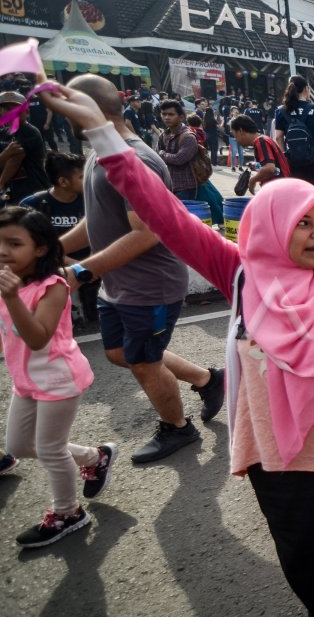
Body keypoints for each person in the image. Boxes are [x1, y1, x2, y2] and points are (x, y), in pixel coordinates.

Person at [43, 77, 314, 617]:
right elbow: (166, 217)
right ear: (270, 226)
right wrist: (101, 134)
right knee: (302, 554)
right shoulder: (241, 275)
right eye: (301, 223)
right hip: (276, 455)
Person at [54, 76, 224, 464]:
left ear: (91, 110)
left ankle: (178, 428)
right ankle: (207, 379)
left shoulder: (137, 160)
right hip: (118, 284)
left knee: (144, 361)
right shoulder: (100, 152)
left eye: (68, 108)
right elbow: (98, 215)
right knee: (120, 353)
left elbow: (146, 232)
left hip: (150, 286)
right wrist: (54, 248)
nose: (64, 118)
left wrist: (81, 270)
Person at [0, 206, 115, 548]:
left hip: (58, 379)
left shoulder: (53, 287)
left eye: (14, 243)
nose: (3, 251)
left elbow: (37, 338)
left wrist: (11, 297)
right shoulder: (9, 281)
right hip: (26, 378)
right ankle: (94, 457)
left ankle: (68, 513)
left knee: (50, 450)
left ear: (40, 248)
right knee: (19, 446)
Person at [20, 152, 99, 320]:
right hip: (53, 266)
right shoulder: (33, 205)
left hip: (92, 267)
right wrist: (73, 264)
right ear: (63, 181)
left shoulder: (92, 199)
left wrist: (93, 262)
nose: (89, 179)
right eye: (82, 176)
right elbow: (27, 247)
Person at [275, 75, 314, 194]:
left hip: (293, 160)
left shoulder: (281, 111)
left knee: (297, 194)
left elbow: (278, 137)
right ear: (306, 89)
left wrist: (284, 158)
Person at [0, 91, 50, 206]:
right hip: (12, 189)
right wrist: (7, 153)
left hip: (31, 189)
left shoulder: (28, 131)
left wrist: (0, 184)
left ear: (26, 112)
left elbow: (14, 161)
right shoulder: (3, 133)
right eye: (7, 109)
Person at [230, 116, 290, 195]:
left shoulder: (261, 142)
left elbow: (270, 168)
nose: (236, 140)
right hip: (281, 188)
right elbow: (273, 168)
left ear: (241, 131)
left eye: (235, 136)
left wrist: (253, 180)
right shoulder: (264, 139)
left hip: (278, 191)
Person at [156, 100, 201, 199]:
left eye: (171, 114)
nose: (166, 117)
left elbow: (179, 159)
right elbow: (157, 158)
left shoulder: (188, 137)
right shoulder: (163, 135)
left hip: (186, 188)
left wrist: (162, 154)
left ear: (181, 117)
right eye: (164, 114)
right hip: (168, 186)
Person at [197, 97, 222, 165]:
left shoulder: (204, 120)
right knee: (214, 150)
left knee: (207, 150)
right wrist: (222, 121)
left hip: (206, 136)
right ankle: (213, 163)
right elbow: (219, 127)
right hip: (213, 136)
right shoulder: (213, 120)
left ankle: (207, 162)